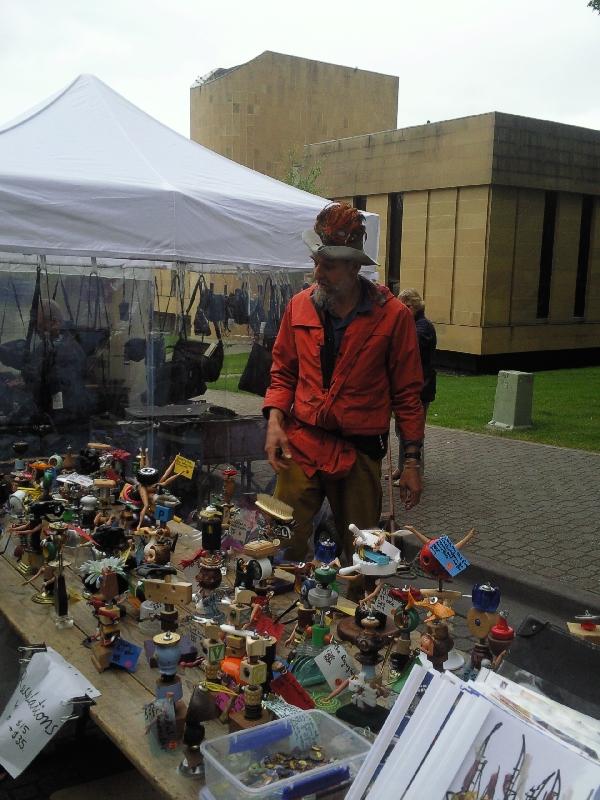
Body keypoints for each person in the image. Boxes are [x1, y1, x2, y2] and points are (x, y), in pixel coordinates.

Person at [263, 202, 425, 562]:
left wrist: (411, 464)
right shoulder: (298, 307)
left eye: (329, 265)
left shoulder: (393, 317)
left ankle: (358, 616)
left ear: (354, 267)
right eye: (315, 262)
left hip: (359, 454)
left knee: (367, 556)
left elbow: (408, 395)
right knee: (277, 538)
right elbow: (283, 372)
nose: (318, 273)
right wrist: (275, 422)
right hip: (301, 444)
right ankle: (276, 609)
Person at [393, 288, 437, 480]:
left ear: (413, 306)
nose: (402, 309)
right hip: (410, 387)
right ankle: (401, 468)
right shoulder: (412, 324)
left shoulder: (422, 327)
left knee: (413, 432)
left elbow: (409, 348)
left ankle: (414, 472)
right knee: (401, 430)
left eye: (406, 306)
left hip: (420, 387)